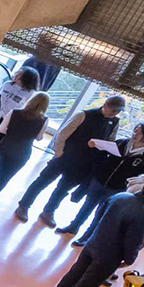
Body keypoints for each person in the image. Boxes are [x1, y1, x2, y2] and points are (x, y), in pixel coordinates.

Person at [16, 95, 124, 225]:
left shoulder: (115, 122)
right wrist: (59, 152)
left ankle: (49, 211)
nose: (115, 114)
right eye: (113, 110)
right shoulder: (83, 115)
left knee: (63, 189)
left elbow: (110, 140)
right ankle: (24, 205)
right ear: (105, 105)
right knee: (42, 181)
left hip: (84, 164)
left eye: (118, 111)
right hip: (66, 157)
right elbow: (63, 133)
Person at [62, 121, 144, 239]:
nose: (135, 133)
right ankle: (73, 226)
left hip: (118, 188)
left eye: (139, 132)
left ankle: (88, 236)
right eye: (135, 130)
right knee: (86, 206)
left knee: (102, 213)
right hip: (100, 180)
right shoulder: (121, 143)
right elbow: (102, 156)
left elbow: (143, 176)